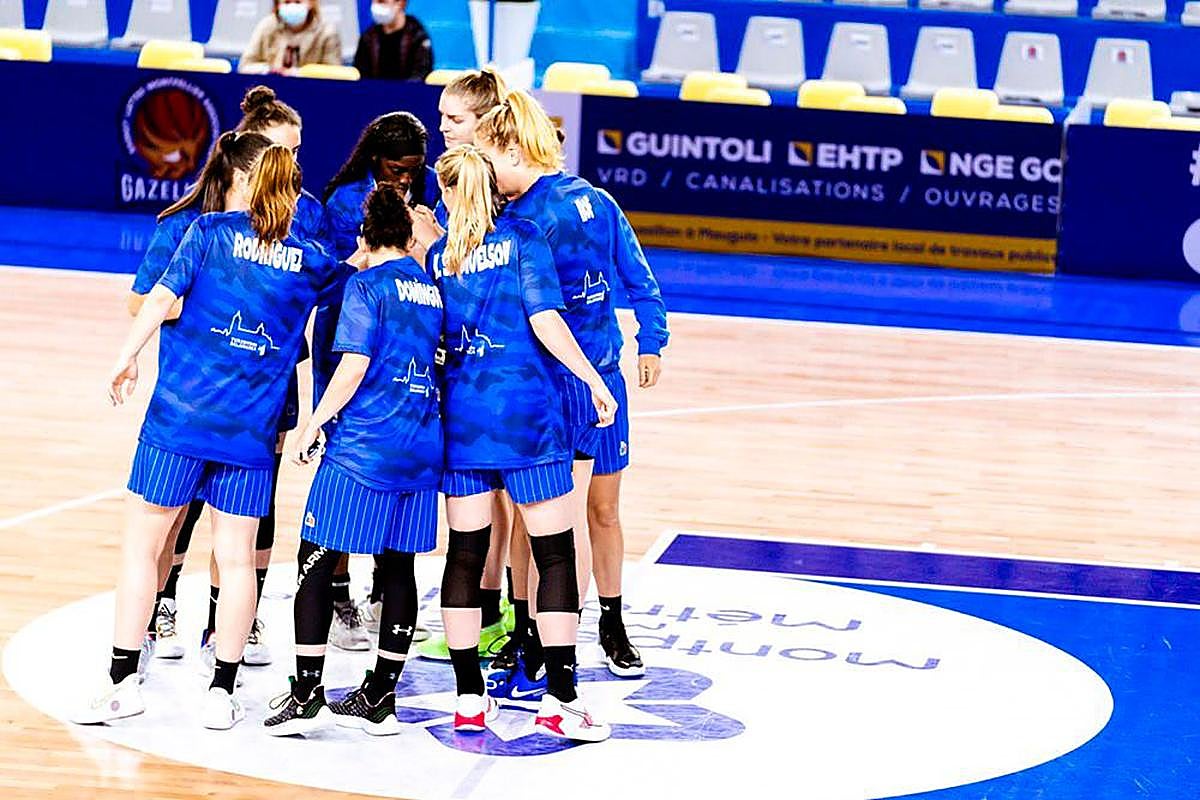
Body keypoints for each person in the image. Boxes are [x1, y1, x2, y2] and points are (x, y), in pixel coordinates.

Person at [73, 142, 349, 730]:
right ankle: (223, 691)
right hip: (249, 436)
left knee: (143, 549)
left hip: (177, 421)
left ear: (247, 181)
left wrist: (127, 357)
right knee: (237, 558)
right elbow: (362, 274)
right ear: (296, 194)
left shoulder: (207, 232)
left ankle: (123, 681)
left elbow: (159, 301)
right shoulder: (311, 260)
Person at [474, 91, 669, 685]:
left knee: (598, 511)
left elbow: (637, 276)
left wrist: (652, 340)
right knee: (542, 517)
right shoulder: (503, 213)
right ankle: (533, 629)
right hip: (537, 386)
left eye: (487, 157)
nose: (481, 172)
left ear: (513, 148)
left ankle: (607, 622)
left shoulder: (582, 207)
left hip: (594, 379)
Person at [431, 144, 614, 741]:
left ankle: (467, 699)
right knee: (555, 553)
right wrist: (592, 379)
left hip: (464, 428)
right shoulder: (525, 238)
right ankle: (561, 698)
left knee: (464, 555)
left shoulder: (437, 259)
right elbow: (546, 320)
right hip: (530, 424)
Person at [149, 86, 329, 671]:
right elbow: (142, 301)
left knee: (255, 506)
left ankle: (232, 623)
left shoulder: (308, 216)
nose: (293, 165)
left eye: (298, 152)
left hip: (269, 386)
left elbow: (325, 285)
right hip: (198, 390)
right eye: (283, 151)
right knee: (182, 508)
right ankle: (163, 606)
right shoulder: (196, 223)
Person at [264, 184, 442, 736]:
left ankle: (306, 694)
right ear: (409, 236)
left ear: (366, 235)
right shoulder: (432, 290)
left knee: (314, 559)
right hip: (422, 449)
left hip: (365, 447)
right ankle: (381, 699)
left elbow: (353, 364)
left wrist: (314, 423)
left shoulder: (366, 287)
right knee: (399, 569)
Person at [318, 111, 441, 651]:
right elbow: (354, 270)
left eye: (414, 169)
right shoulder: (346, 201)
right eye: (396, 168)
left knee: (391, 470)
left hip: (402, 345)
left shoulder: (427, 188)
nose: (405, 178)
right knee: (348, 468)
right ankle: (339, 592)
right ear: (375, 159)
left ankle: (377, 592)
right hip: (350, 336)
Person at [412, 66, 517, 666]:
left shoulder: (499, 197)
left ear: (485, 123)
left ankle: (492, 612)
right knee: (484, 500)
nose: (443, 127)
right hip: (459, 372)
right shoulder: (451, 186)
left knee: (493, 501)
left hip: (495, 376)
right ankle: (486, 611)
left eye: (455, 119)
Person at [239, 0, 341, 75]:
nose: (292, 5)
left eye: (298, 2)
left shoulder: (327, 32)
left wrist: (300, 73)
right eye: (287, 2)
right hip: (270, 90)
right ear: (278, 5)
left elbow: (334, 74)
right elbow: (245, 66)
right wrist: (268, 69)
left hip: (312, 92)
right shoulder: (267, 25)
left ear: (311, 3)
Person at [353, 0, 433, 81]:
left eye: (382, 2)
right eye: (375, 2)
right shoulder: (368, 37)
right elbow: (360, 74)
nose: (376, 7)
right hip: (374, 92)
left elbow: (421, 75)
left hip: (408, 92)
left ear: (401, 3)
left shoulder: (417, 36)